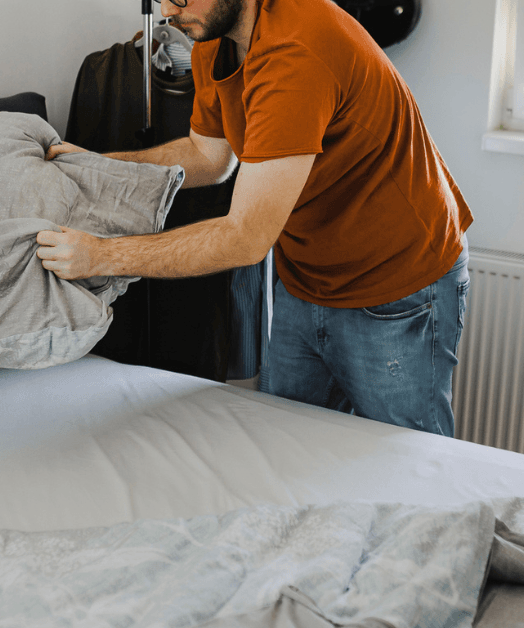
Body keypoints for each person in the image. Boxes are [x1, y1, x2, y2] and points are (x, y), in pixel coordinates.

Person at [37, 0, 473, 437]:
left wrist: (101, 256)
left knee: (410, 462)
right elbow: (209, 155)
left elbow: (245, 238)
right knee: (288, 445)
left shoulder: (297, 49)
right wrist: (100, 168)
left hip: (396, 284)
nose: (168, 12)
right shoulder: (214, 33)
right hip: (308, 278)